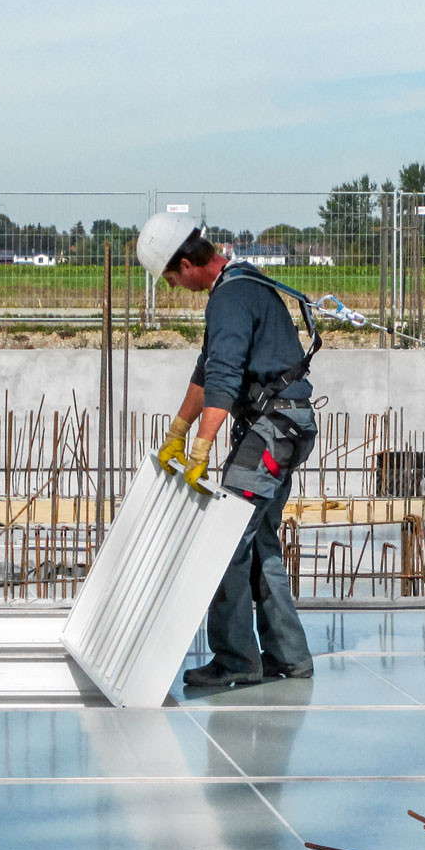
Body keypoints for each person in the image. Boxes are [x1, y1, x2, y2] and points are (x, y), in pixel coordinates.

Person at [136, 213, 318, 688]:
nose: (174, 286)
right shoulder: (239, 287)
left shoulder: (232, 296)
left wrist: (200, 448)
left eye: (172, 277)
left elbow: (224, 377)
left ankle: (237, 660)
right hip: (282, 425)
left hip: (271, 430)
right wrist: (179, 427)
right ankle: (288, 656)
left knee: (224, 540)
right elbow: (207, 368)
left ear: (186, 263)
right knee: (258, 542)